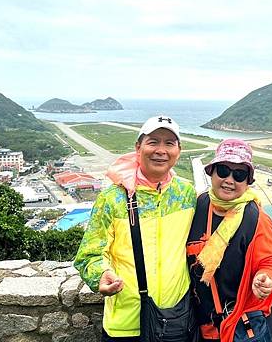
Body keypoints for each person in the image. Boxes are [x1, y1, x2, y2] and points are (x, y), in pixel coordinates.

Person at [74, 115, 197, 341]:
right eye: (153, 142)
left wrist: (248, 197)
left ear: (179, 150)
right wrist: (100, 274)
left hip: (175, 319)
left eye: (169, 143)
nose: (161, 150)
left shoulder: (186, 194)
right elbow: (88, 254)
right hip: (126, 323)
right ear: (138, 148)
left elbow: (223, 205)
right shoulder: (113, 198)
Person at [186, 139, 272, 342]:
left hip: (239, 324)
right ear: (211, 172)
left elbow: (268, 263)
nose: (229, 180)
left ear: (248, 182)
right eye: (223, 170)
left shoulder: (256, 219)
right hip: (201, 323)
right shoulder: (199, 205)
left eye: (239, 175)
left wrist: (265, 279)